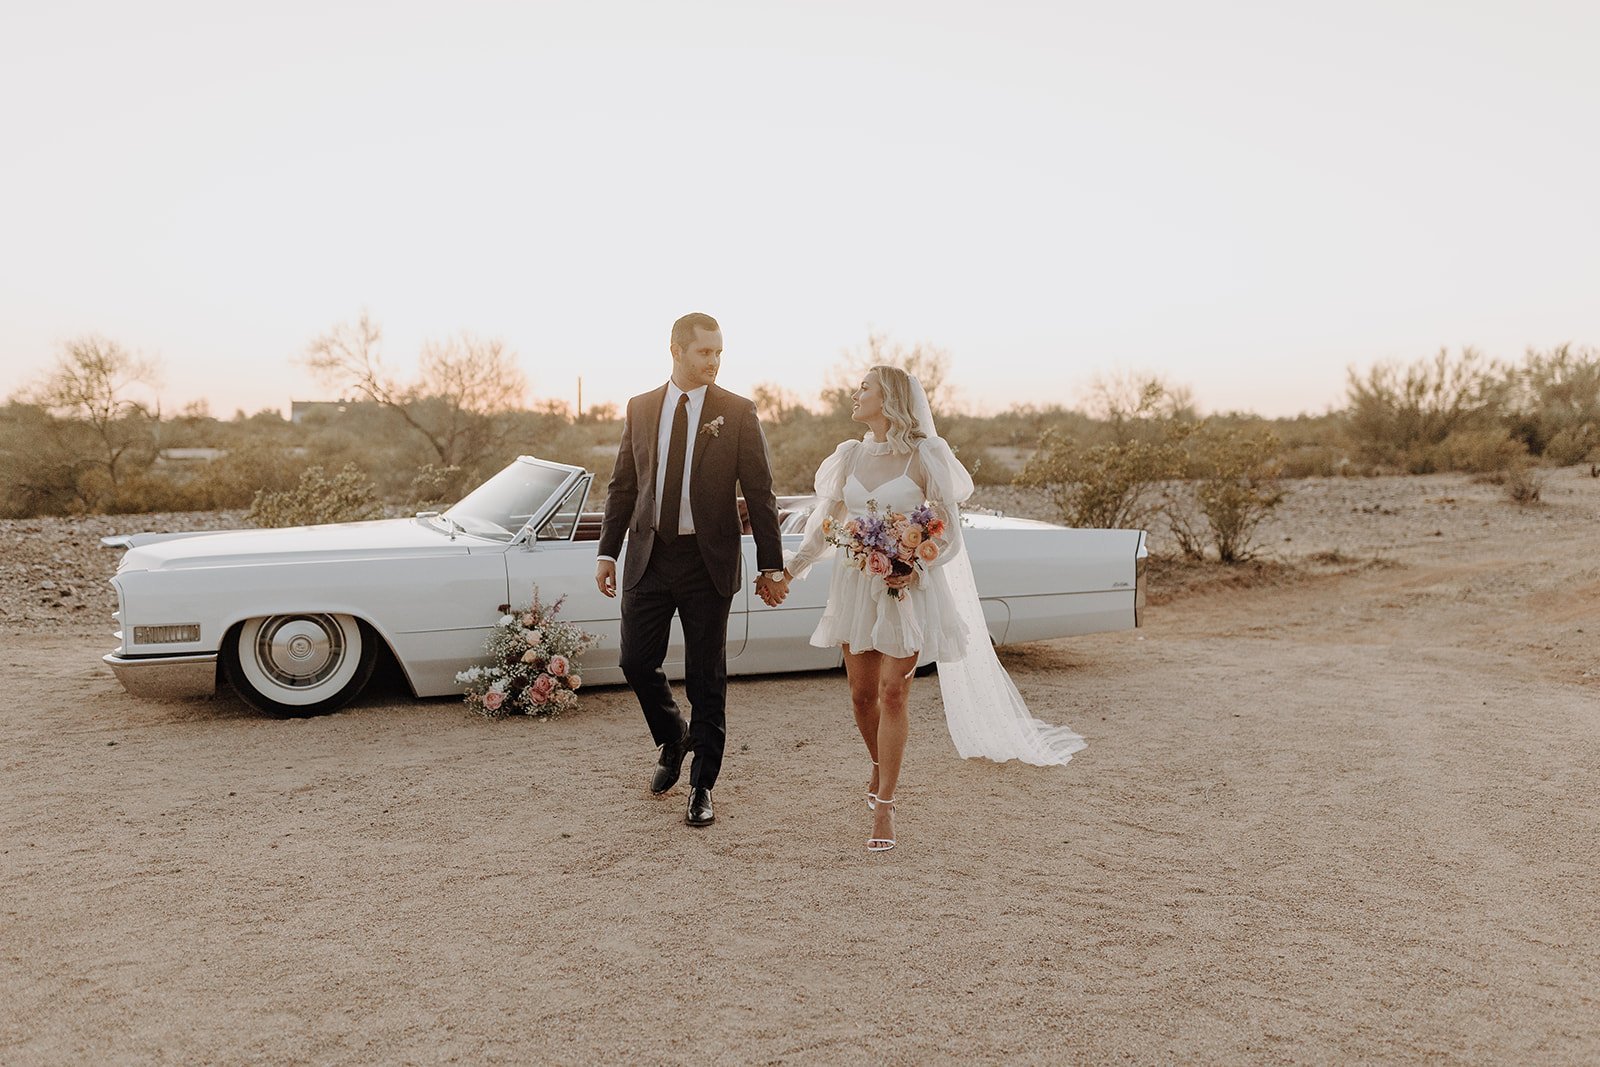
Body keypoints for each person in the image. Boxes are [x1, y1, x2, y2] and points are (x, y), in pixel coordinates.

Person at [769, 365, 1087, 852]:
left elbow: (951, 531)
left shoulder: (926, 454)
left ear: (889, 397)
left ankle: (885, 807)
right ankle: (877, 764)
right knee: (861, 695)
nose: (855, 395)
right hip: (857, 585)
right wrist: (791, 571)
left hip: (909, 589)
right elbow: (825, 524)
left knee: (894, 693)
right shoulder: (849, 456)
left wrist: (913, 564)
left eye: (864, 388)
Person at [595, 312, 788, 828]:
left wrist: (772, 564)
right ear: (677, 350)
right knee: (635, 661)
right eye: (705, 352)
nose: (715, 362)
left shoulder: (738, 412)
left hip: (709, 562)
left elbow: (760, 493)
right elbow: (623, 485)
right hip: (650, 556)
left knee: (707, 676)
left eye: (720, 353)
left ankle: (702, 784)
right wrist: (607, 552)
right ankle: (672, 737)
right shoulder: (640, 409)